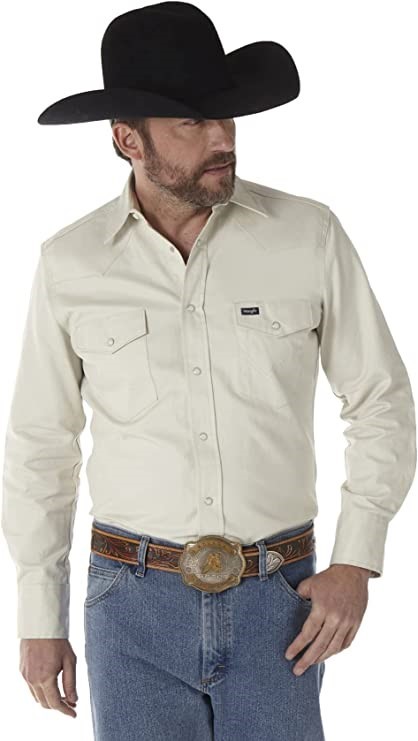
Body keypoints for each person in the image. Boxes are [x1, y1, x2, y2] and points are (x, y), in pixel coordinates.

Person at [2, 3, 416, 740]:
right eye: (192, 123)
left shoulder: (308, 234)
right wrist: (40, 616)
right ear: (128, 138)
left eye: (225, 118)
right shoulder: (70, 262)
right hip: (129, 603)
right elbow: (41, 445)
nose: (222, 138)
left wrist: (357, 560)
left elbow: (381, 400)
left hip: (281, 600)